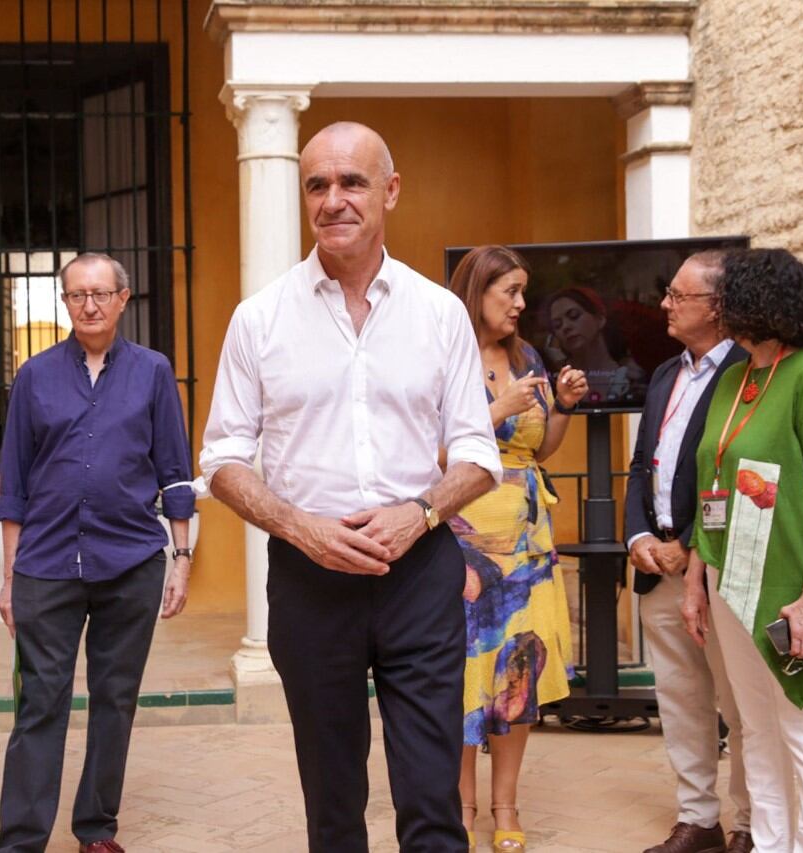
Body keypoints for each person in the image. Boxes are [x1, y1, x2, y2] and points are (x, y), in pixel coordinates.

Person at [199, 122, 502, 852]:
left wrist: (420, 513)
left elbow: (477, 451)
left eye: (352, 182)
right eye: (317, 185)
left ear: (390, 191)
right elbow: (223, 458)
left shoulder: (438, 314)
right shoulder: (260, 318)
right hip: (310, 578)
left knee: (433, 800)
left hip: (419, 571)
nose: (334, 200)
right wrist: (302, 528)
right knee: (333, 804)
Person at [0, 253, 195, 853]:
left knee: (115, 700)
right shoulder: (34, 377)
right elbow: (14, 486)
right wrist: (10, 580)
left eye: (101, 294)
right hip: (46, 567)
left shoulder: (153, 372)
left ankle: (96, 830)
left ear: (123, 299)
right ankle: (22, 840)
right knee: (39, 705)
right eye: (77, 295)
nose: (90, 305)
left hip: (131, 563)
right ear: (65, 303)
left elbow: (176, 473)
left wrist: (181, 558)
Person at [682, 248, 803, 853]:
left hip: (785, 582)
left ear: (762, 302)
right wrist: (696, 578)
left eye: (729, 297)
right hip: (730, 575)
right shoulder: (734, 377)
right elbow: (713, 488)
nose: (718, 308)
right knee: (755, 726)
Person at [447, 245, 587, 852]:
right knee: (460, 672)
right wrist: (491, 411)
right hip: (463, 540)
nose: (522, 304)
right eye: (511, 291)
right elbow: (425, 451)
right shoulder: (443, 359)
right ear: (478, 291)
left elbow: (540, 448)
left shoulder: (527, 355)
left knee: (517, 672)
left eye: (523, 291)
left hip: (528, 544)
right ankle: (461, 806)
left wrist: (567, 409)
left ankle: (505, 804)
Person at [624, 252, 752, 853]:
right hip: (658, 568)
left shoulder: (749, 377)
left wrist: (690, 547)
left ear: (718, 308)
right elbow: (638, 466)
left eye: (679, 296)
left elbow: (737, 478)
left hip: (716, 567)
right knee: (680, 700)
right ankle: (699, 819)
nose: (665, 305)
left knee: (741, 700)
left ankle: (751, 822)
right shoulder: (662, 374)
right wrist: (639, 538)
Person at [547, 287, 646, 403]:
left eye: (574, 315)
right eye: (557, 325)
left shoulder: (633, 378)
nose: (566, 327)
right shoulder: (554, 382)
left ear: (599, 319)